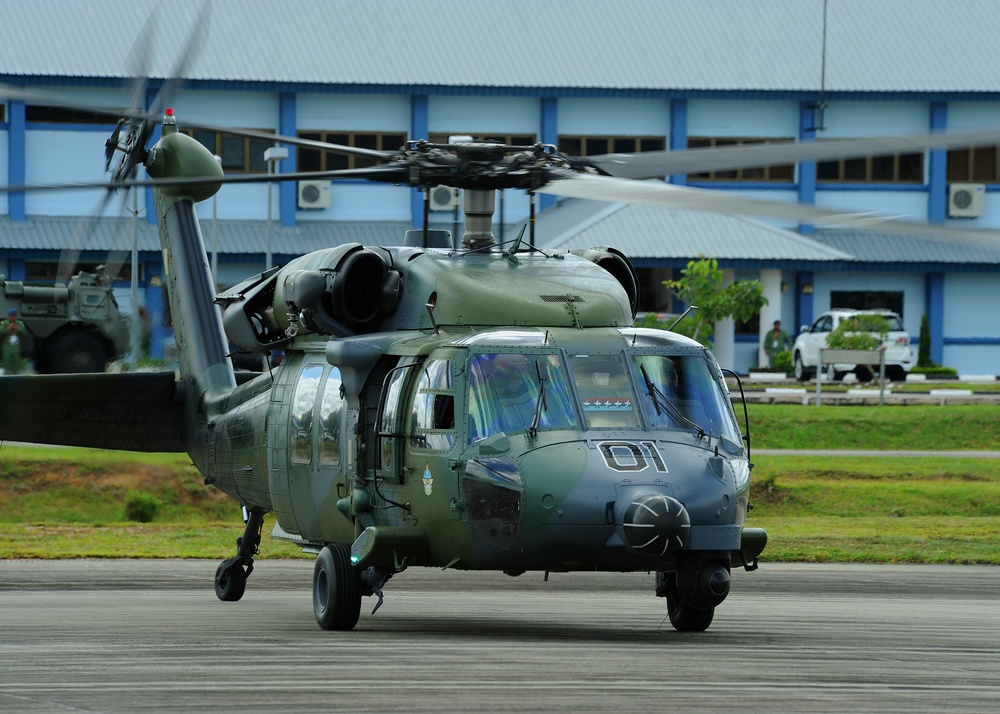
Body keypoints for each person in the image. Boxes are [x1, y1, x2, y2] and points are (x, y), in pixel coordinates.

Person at [2, 308, 28, 374]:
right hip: (7, 345)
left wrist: (18, 329)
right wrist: (7, 329)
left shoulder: (20, 323)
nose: (12, 317)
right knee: (7, 358)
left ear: (16, 316)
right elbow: (0, 333)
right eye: (10, 316)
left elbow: (24, 333)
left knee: (16, 359)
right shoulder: (5, 323)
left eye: (13, 316)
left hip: (16, 345)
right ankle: (7, 373)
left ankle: (16, 372)